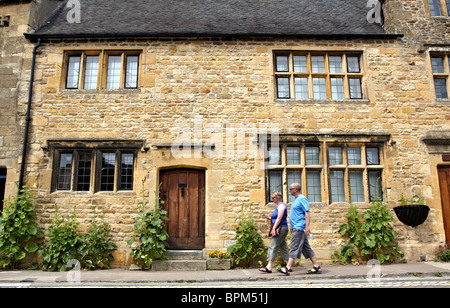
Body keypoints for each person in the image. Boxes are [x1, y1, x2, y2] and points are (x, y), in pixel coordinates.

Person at [278, 182, 321, 275]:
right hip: (296, 227)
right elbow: (296, 214)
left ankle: (288, 267)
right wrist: (292, 226)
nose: (289, 191)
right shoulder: (297, 199)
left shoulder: (302, 199)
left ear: (295, 190)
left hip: (300, 227)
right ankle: (316, 266)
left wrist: (307, 226)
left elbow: (307, 212)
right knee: (306, 248)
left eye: (290, 189)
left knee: (294, 246)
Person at [259, 190, 289, 273]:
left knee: (273, 245)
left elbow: (279, 218)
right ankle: (288, 265)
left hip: (281, 229)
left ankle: (269, 267)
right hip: (280, 228)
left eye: (273, 198)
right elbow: (277, 218)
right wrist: (269, 218)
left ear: (277, 198)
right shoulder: (278, 206)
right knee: (282, 247)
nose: (272, 199)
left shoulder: (281, 206)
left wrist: (274, 229)